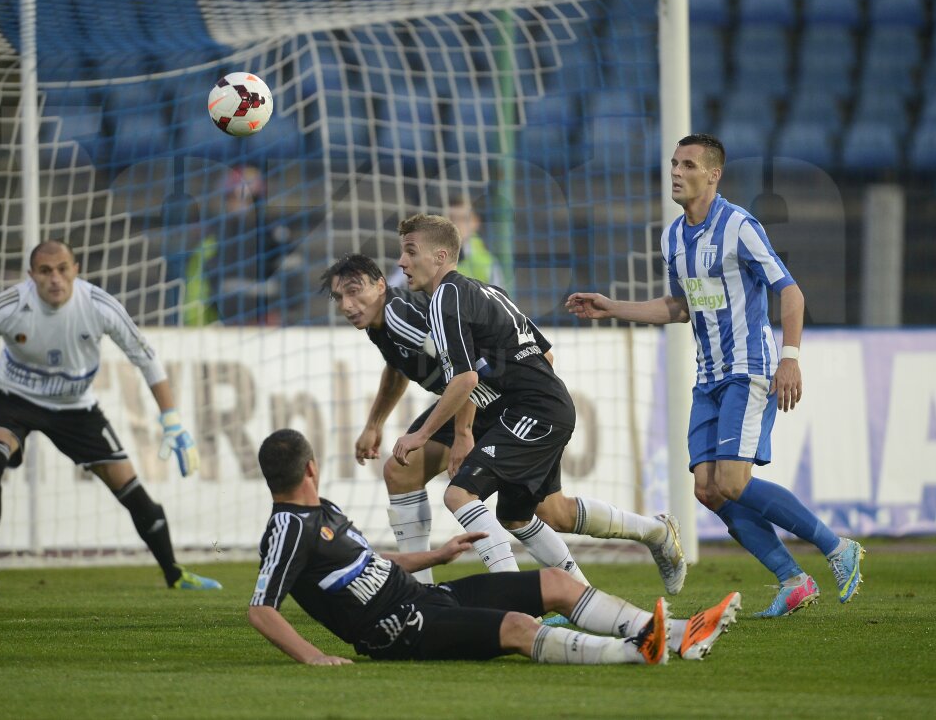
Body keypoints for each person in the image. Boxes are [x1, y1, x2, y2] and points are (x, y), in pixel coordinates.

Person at [565, 133, 865, 618]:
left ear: (713, 174)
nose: (676, 172)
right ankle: (793, 579)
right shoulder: (673, 237)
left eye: (687, 165)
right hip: (708, 376)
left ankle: (836, 548)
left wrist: (790, 356)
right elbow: (680, 307)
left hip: (749, 369)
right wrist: (611, 307)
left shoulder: (740, 226)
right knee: (708, 490)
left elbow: (790, 292)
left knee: (734, 481)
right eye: (673, 164)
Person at [322, 253, 686, 597]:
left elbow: (465, 370)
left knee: (471, 496)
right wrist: (375, 423)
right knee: (551, 512)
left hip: (491, 401)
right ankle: (653, 533)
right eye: (339, 298)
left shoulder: (403, 314)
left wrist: (464, 434)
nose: (347, 306)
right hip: (494, 398)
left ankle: (440, 594)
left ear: (380, 285)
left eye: (354, 292)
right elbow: (398, 364)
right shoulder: (383, 323)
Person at [248, 428, 740, 665]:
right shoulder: (290, 527)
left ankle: (678, 633)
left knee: (556, 583)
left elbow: (370, 562)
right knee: (518, 629)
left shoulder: (324, 511)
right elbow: (261, 609)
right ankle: (638, 651)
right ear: (310, 468)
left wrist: (433, 557)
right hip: (399, 628)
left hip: (422, 598)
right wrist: (313, 657)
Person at [0, 239, 221, 596]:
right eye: (45, 271)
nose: (55, 278)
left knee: (130, 488)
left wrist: (171, 420)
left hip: (76, 407)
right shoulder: (9, 306)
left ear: (76, 270)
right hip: (14, 398)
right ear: (31, 276)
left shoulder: (98, 306)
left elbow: (146, 357)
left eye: (63, 269)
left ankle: (176, 574)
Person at [182, 165, 290, 325]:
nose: (239, 206)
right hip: (226, 330)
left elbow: (294, 289)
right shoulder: (211, 244)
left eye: (248, 199)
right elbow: (195, 296)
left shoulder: (277, 239)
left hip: (270, 329)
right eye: (232, 198)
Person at [387, 194, 503, 289]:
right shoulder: (418, 256)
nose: (456, 224)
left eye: (463, 219)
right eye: (451, 218)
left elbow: (499, 306)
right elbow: (390, 290)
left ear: (475, 223)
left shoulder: (488, 263)